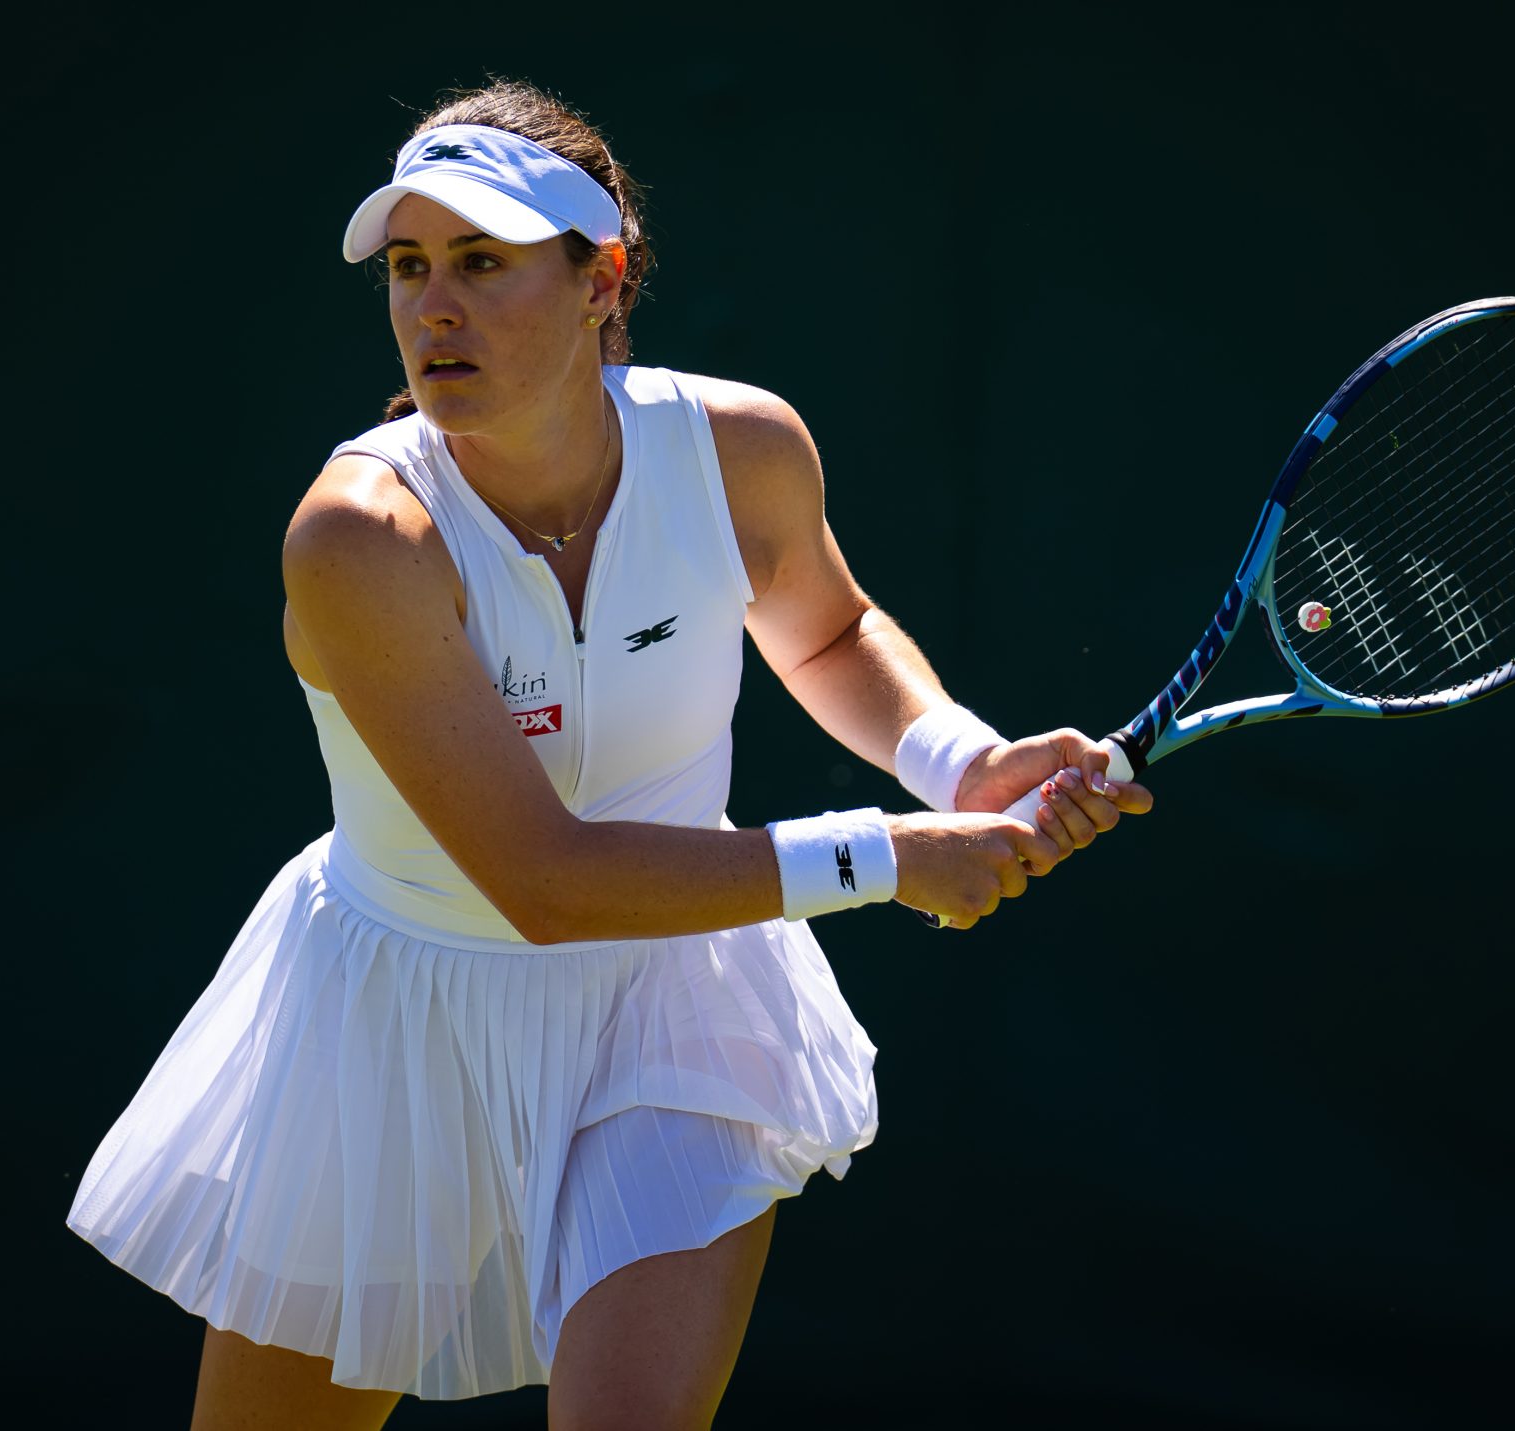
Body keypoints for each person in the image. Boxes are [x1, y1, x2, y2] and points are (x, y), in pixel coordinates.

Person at [65, 81, 1152, 1431]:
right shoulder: (359, 540)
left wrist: (954, 763)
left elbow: (827, 633)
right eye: (407, 268)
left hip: (675, 1004)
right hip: (404, 1027)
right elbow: (546, 883)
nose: (432, 308)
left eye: (482, 263)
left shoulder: (743, 450)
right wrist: (891, 858)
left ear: (603, 280)